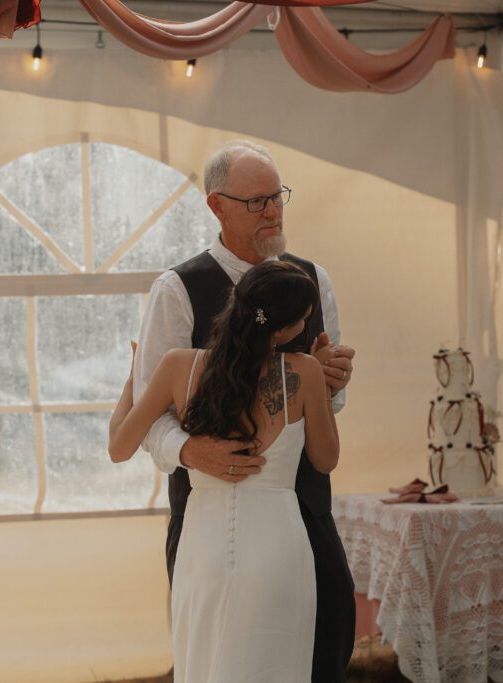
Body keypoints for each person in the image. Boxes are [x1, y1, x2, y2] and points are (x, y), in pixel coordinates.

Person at [124, 140, 357, 682]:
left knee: (326, 646)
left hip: (299, 510)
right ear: (217, 206)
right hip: (209, 518)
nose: (274, 211)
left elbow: (327, 403)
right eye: (257, 202)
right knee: (219, 660)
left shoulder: (313, 280)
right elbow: (147, 412)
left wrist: (331, 383)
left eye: (278, 197)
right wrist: (187, 448)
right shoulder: (177, 289)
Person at [110, 261, 338, 681]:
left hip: (204, 546)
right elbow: (325, 460)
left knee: (206, 663)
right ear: (284, 330)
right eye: (303, 321)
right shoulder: (305, 372)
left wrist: (133, 379)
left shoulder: (179, 366)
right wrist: (322, 389)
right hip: (279, 546)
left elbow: (120, 446)